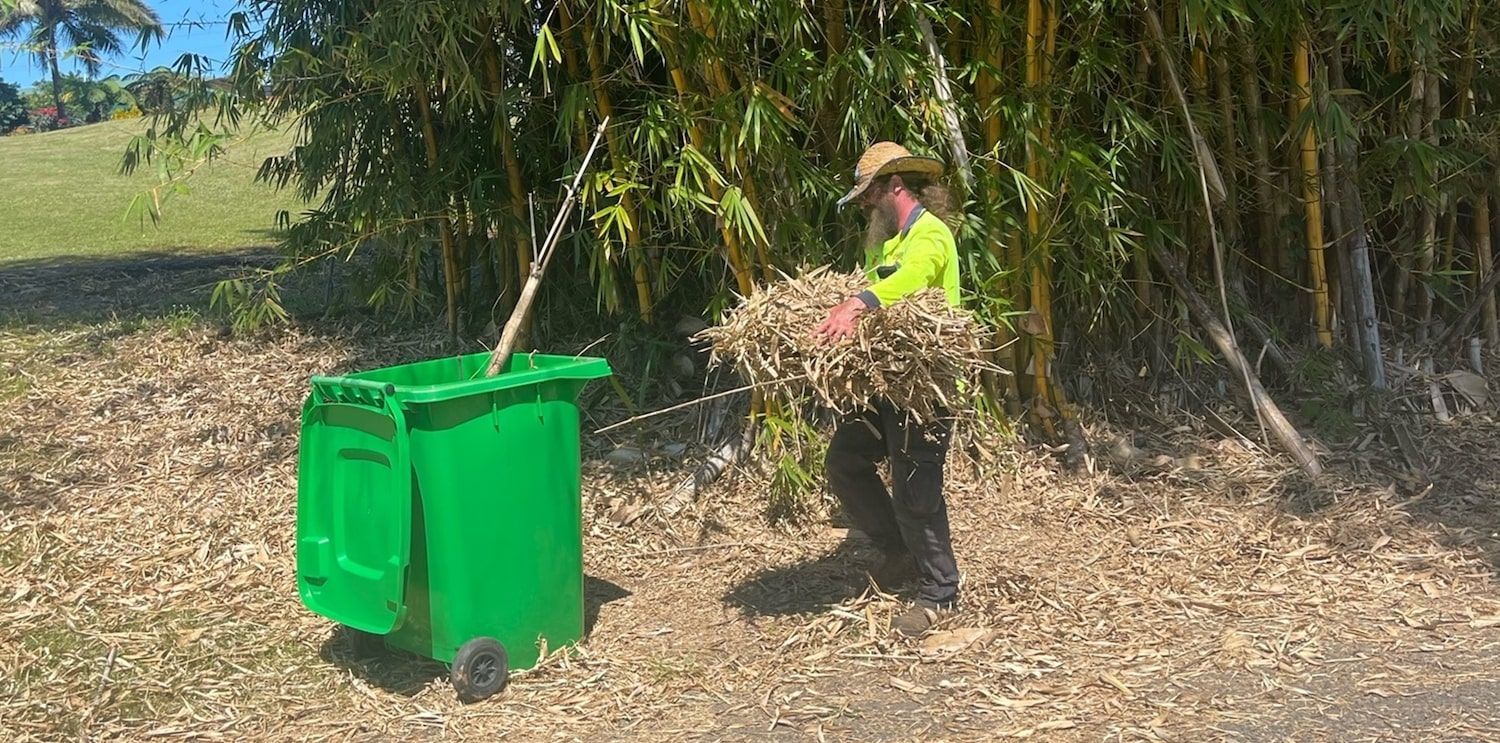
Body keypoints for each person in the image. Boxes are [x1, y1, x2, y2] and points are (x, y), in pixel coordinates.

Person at [813, 141, 963, 637]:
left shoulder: (930, 235)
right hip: (886, 383)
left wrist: (857, 303)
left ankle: (940, 593)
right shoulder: (884, 243)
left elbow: (916, 280)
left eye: (866, 195)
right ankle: (896, 550)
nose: (862, 205)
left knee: (915, 489)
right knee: (845, 460)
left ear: (892, 187)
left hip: (927, 387)